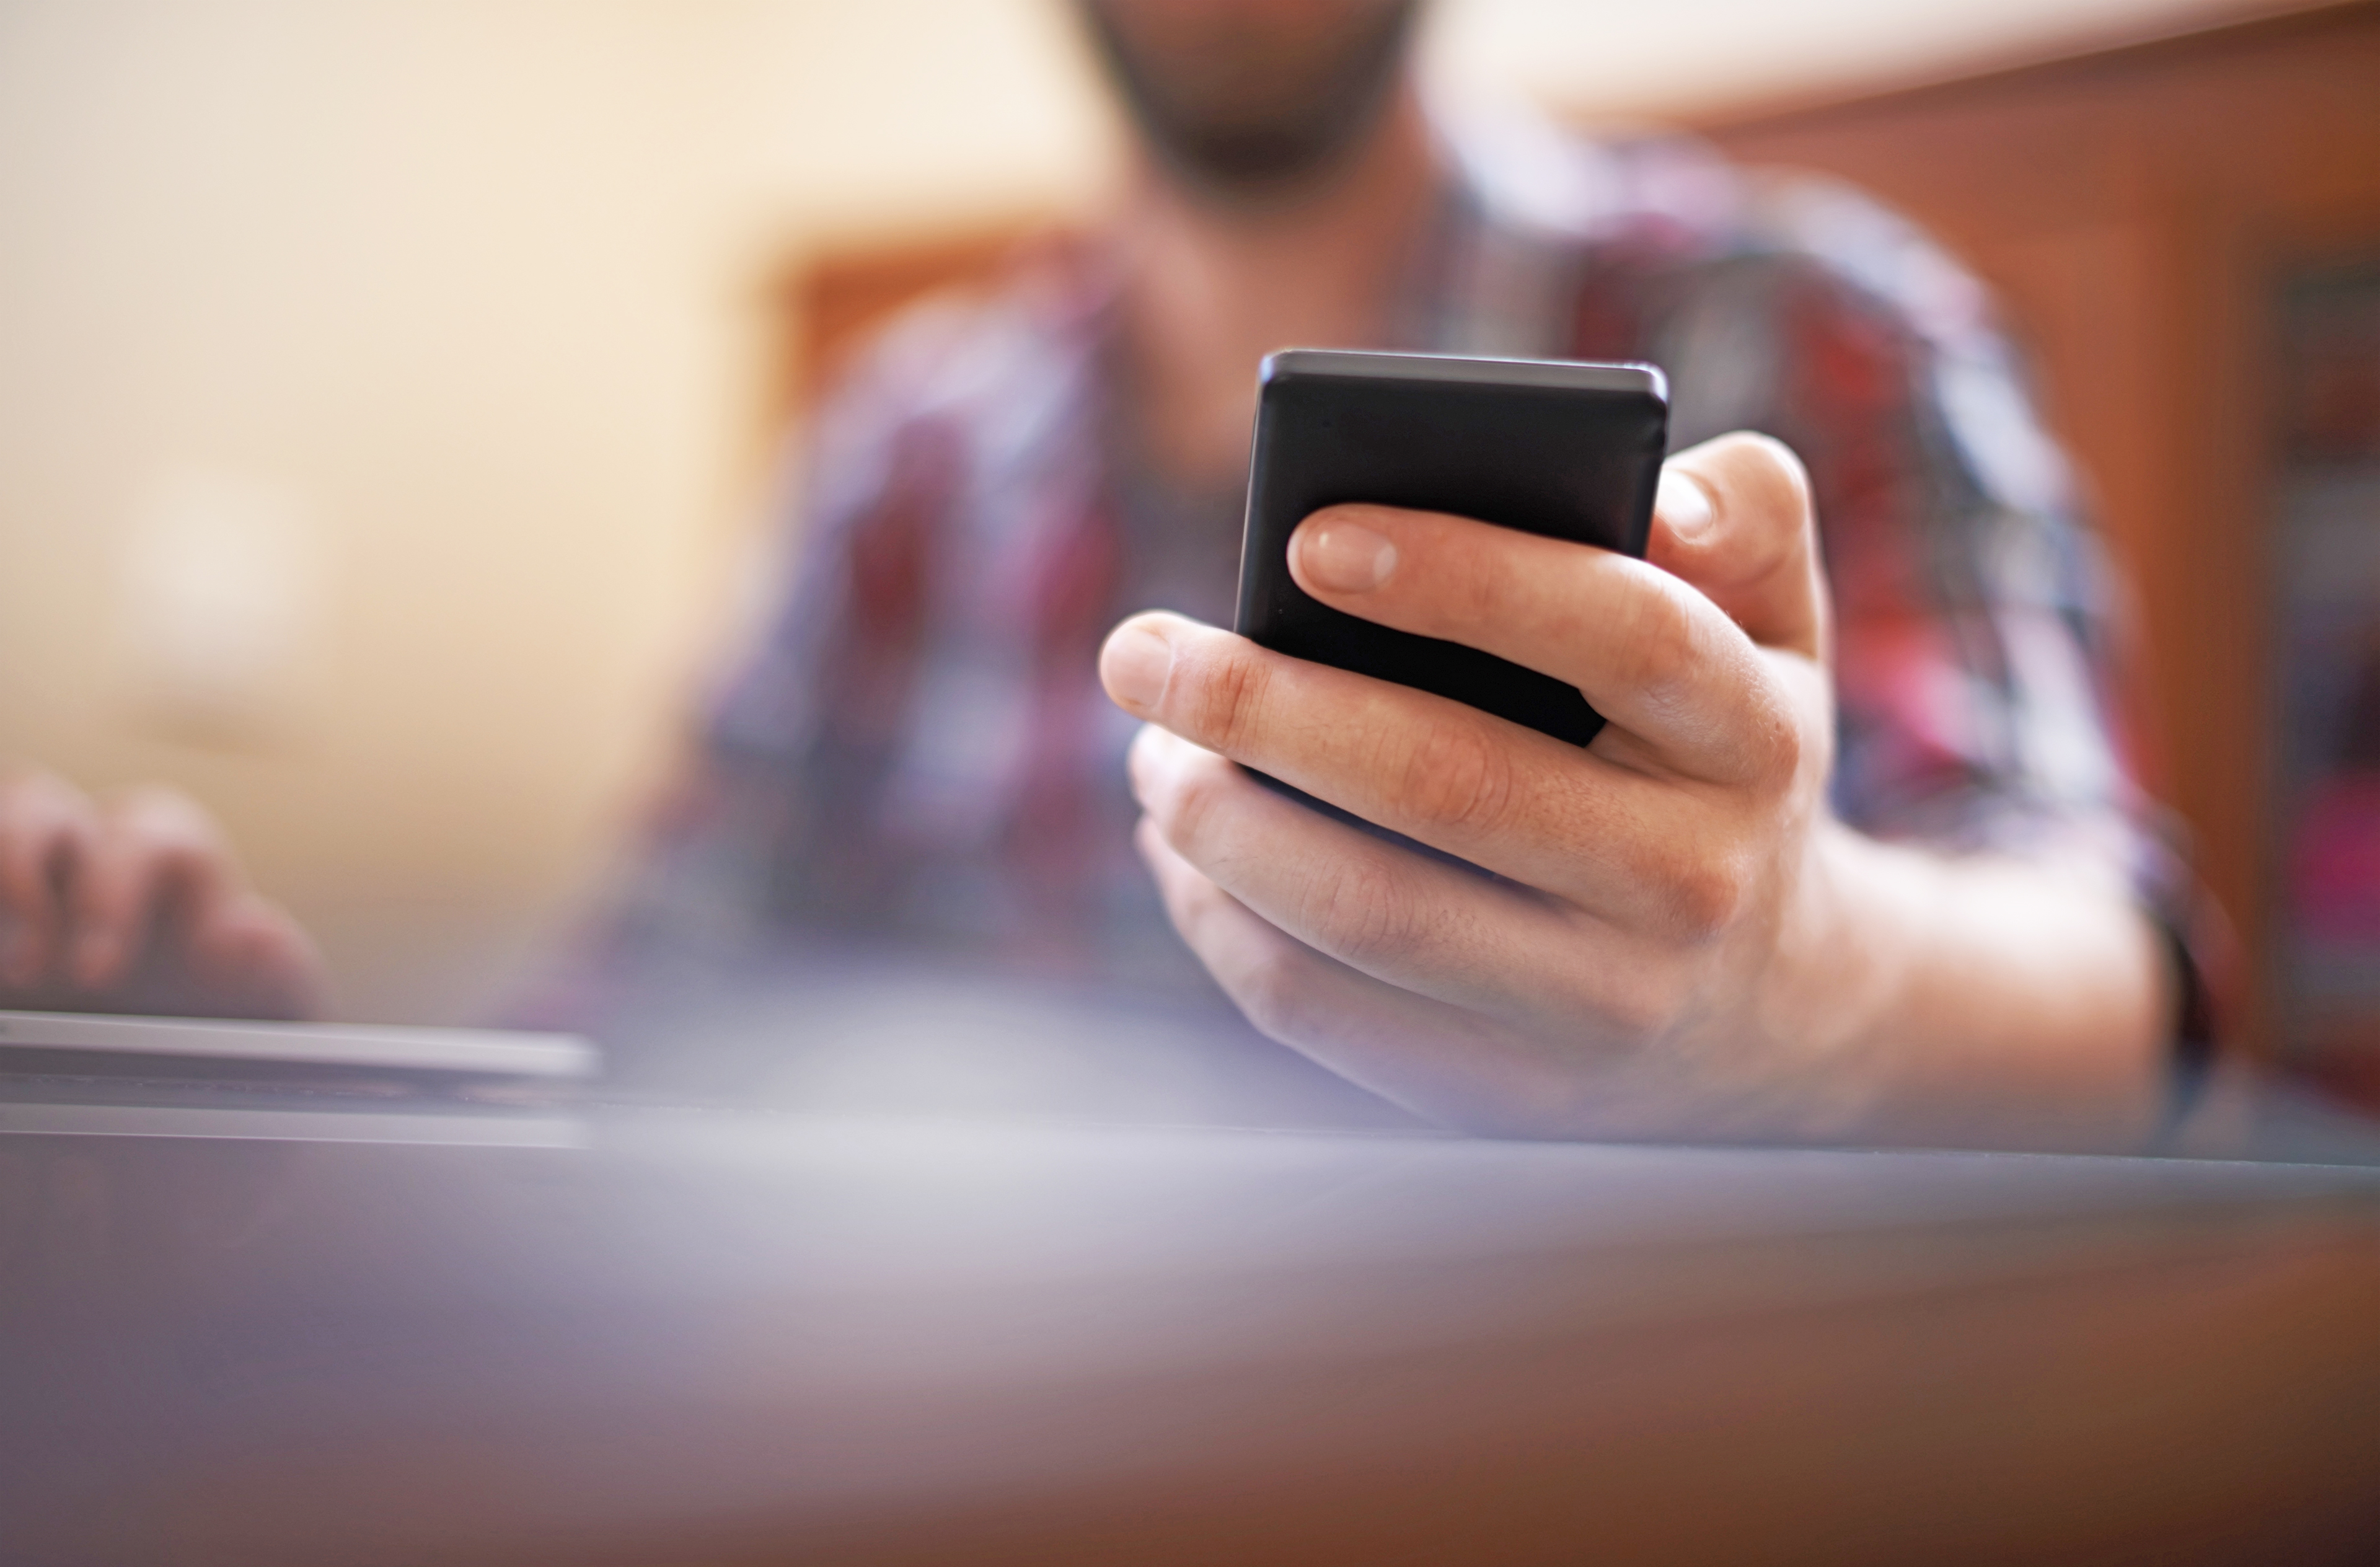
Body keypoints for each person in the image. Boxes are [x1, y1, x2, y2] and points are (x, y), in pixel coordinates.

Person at [0, 0, 2211, 1146]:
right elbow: (651, 1013)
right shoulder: (903, 452)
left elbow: (2117, 998)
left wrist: (1799, 987)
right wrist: (299, 1128)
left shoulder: (1814, 325)